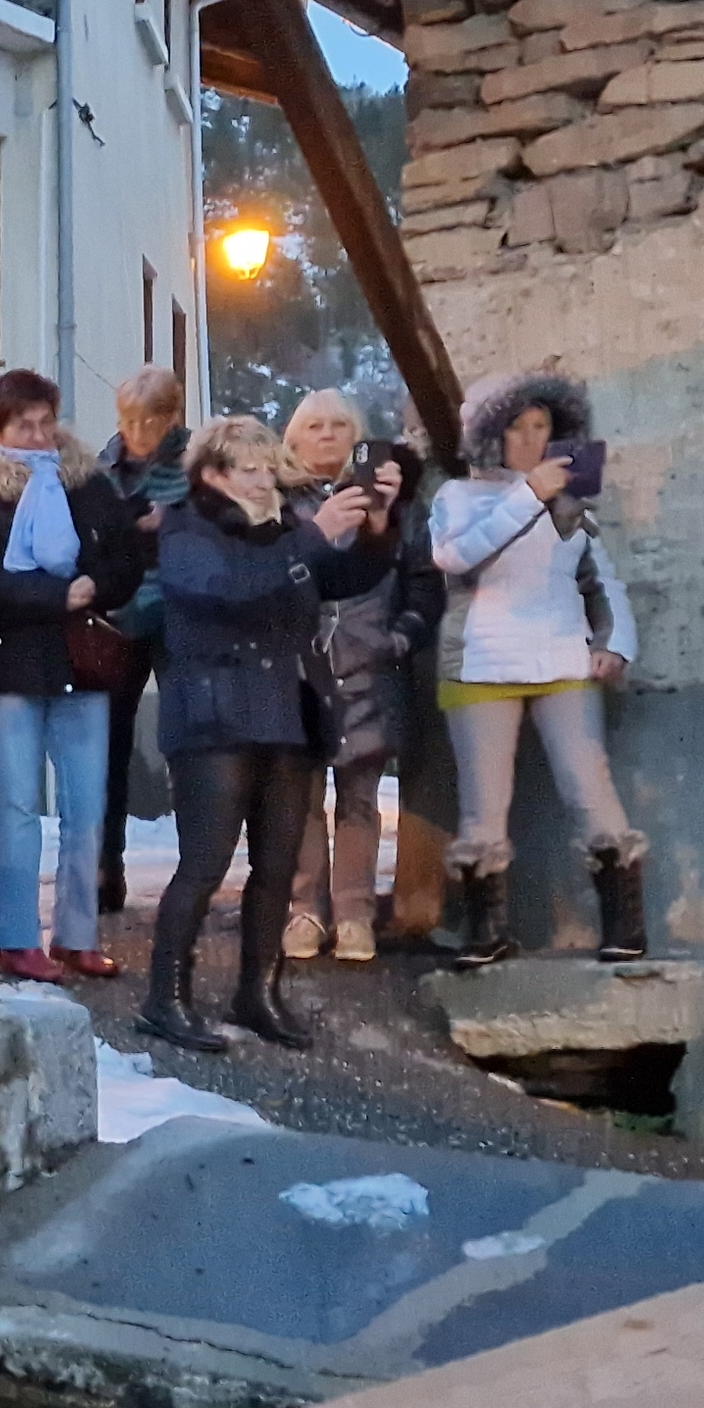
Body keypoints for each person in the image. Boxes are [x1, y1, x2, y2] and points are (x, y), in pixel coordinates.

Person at [137, 417, 387, 1050]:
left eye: (267, 467)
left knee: (276, 866)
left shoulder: (284, 533)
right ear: (212, 474)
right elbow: (230, 589)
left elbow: (345, 577)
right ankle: (165, 999)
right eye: (246, 468)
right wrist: (310, 539)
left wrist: (375, 526)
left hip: (286, 716)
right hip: (213, 719)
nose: (261, 479)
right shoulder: (186, 528)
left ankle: (258, 992)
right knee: (204, 863)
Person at [429, 371, 648, 965]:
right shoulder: (457, 498)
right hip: (478, 662)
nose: (529, 438)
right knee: (483, 803)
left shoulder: (572, 506)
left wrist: (616, 644)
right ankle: (486, 930)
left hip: (561, 659)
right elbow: (455, 555)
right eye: (516, 428)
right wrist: (527, 493)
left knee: (590, 788)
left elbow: (603, 581)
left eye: (541, 427)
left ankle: (624, 925)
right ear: (488, 437)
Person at [0, 370, 146, 983]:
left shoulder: (89, 485)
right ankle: (15, 936)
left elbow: (126, 558)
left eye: (45, 422)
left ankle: (77, 933)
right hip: (9, 666)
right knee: (16, 806)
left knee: (87, 807)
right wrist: (53, 595)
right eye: (22, 426)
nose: (37, 436)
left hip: (82, 664)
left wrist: (98, 587)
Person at [275, 390, 431, 965]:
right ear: (292, 439)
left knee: (360, 798)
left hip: (369, 663)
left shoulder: (394, 502)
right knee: (302, 797)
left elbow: (422, 575)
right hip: (299, 666)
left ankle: (355, 913)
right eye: (314, 425)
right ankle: (305, 911)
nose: (327, 435)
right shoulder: (277, 501)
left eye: (340, 425)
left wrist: (405, 634)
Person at [83, 366, 190, 913]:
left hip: (182, 617)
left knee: (187, 740)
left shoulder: (199, 463)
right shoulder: (102, 468)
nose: (139, 430)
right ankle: (106, 869)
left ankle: (196, 870)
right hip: (118, 617)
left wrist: (170, 525)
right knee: (108, 746)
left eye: (152, 418)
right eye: (129, 419)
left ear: (174, 416)